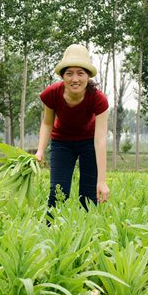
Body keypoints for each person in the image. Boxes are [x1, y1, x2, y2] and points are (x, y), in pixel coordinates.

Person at [34, 44, 110, 216]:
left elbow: (100, 140)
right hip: (62, 142)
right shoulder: (52, 93)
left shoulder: (99, 100)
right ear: (62, 76)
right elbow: (47, 123)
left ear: (88, 76)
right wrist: (40, 151)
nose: (75, 79)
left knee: (88, 197)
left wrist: (102, 181)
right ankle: (50, 232)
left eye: (80, 73)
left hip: (89, 143)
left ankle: (88, 235)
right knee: (58, 193)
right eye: (69, 73)